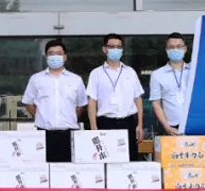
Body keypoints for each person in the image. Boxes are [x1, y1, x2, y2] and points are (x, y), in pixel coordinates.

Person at [22, 40, 88, 162]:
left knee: (68, 169)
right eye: (51, 54)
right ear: (46, 57)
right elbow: (28, 103)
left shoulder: (76, 80)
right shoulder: (36, 79)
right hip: (44, 134)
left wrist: (69, 117)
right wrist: (42, 116)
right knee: (44, 170)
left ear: (65, 56)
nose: (55, 57)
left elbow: (80, 106)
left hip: (69, 134)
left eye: (59, 53)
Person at [86, 33, 145, 161]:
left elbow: (138, 99)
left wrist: (140, 125)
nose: (115, 49)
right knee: (108, 161)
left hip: (128, 122)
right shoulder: (96, 73)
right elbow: (92, 102)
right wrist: (94, 128)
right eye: (111, 46)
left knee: (130, 160)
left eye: (118, 46)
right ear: (104, 49)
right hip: (106, 123)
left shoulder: (130, 72)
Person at [150, 32, 191, 136]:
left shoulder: (194, 71)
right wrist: (166, 126)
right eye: (171, 47)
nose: (175, 50)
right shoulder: (157, 75)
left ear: (185, 49)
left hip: (193, 124)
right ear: (167, 50)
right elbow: (156, 104)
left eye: (179, 46)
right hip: (172, 127)